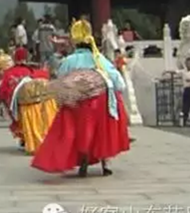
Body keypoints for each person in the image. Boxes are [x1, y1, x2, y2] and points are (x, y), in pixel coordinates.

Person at [32, 18, 130, 177]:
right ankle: (105, 163)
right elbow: (117, 81)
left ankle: (83, 159)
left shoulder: (69, 61)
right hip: (100, 98)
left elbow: (60, 78)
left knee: (78, 129)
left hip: (78, 101)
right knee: (100, 130)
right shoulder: (99, 59)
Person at [0, 48, 58, 154]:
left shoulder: (9, 73)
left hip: (20, 105)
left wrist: (4, 102)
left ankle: (28, 141)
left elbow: (3, 91)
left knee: (25, 124)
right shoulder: (32, 71)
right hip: (38, 102)